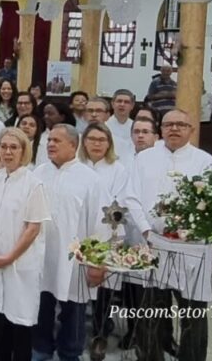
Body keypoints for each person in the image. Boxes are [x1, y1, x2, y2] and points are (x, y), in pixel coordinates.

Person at [126, 109, 212, 361]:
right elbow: (131, 196)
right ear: (161, 129)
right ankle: (150, 356)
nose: (174, 129)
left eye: (180, 124)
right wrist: (145, 228)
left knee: (193, 312)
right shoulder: (144, 159)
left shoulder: (206, 162)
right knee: (151, 311)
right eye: (168, 124)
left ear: (191, 129)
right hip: (154, 242)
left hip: (193, 247)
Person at [32, 125, 102, 361]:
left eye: (57, 141)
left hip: (76, 258)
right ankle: (41, 348)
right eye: (49, 139)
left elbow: (99, 224)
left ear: (74, 145)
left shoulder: (90, 179)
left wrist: (97, 263)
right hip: (41, 254)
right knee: (41, 305)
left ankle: (70, 352)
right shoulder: (38, 173)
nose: (51, 144)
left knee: (74, 309)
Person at [0, 128, 49, 361]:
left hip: (19, 263)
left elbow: (33, 228)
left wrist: (9, 257)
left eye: (13, 147)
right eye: (4, 146)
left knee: (19, 320)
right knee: (0, 318)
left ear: (23, 151)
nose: (7, 152)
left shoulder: (33, 183)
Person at [79, 122, 130, 341]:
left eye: (102, 140)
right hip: (79, 231)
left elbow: (118, 203)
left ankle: (100, 334)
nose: (96, 144)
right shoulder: (77, 166)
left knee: (103, 288)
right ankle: (74, 332)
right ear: (84, 142)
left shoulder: (118, 169)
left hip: (109, 231)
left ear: (109, 143)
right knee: (76, 287)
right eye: (92, 139)